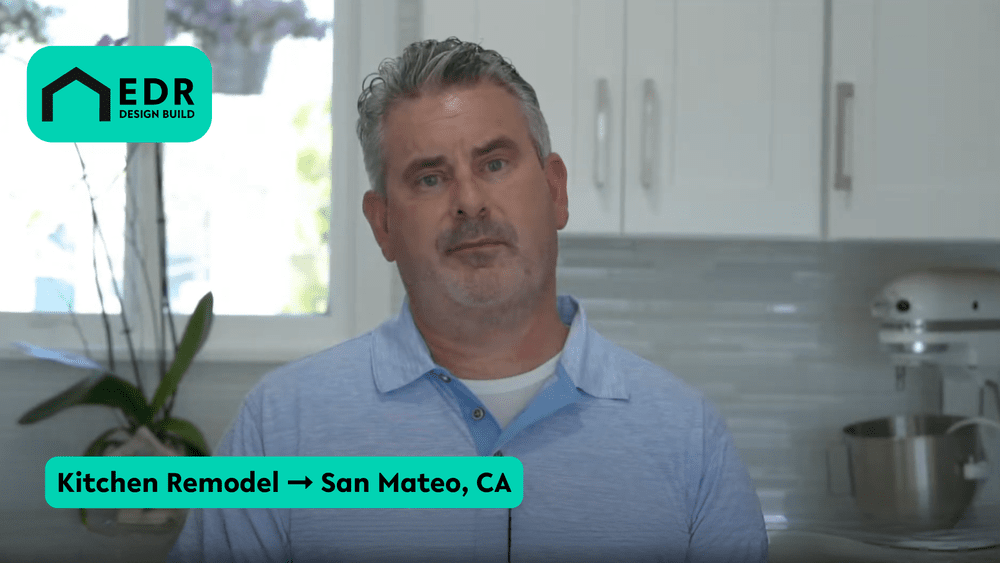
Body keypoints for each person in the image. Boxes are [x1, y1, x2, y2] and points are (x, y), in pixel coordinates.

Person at [167, 37, 768, 563]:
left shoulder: (688, 438)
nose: (470, 201)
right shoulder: (280, 428)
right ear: (382, 225)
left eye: (495, 163)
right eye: (430, 178)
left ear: (556, 191)